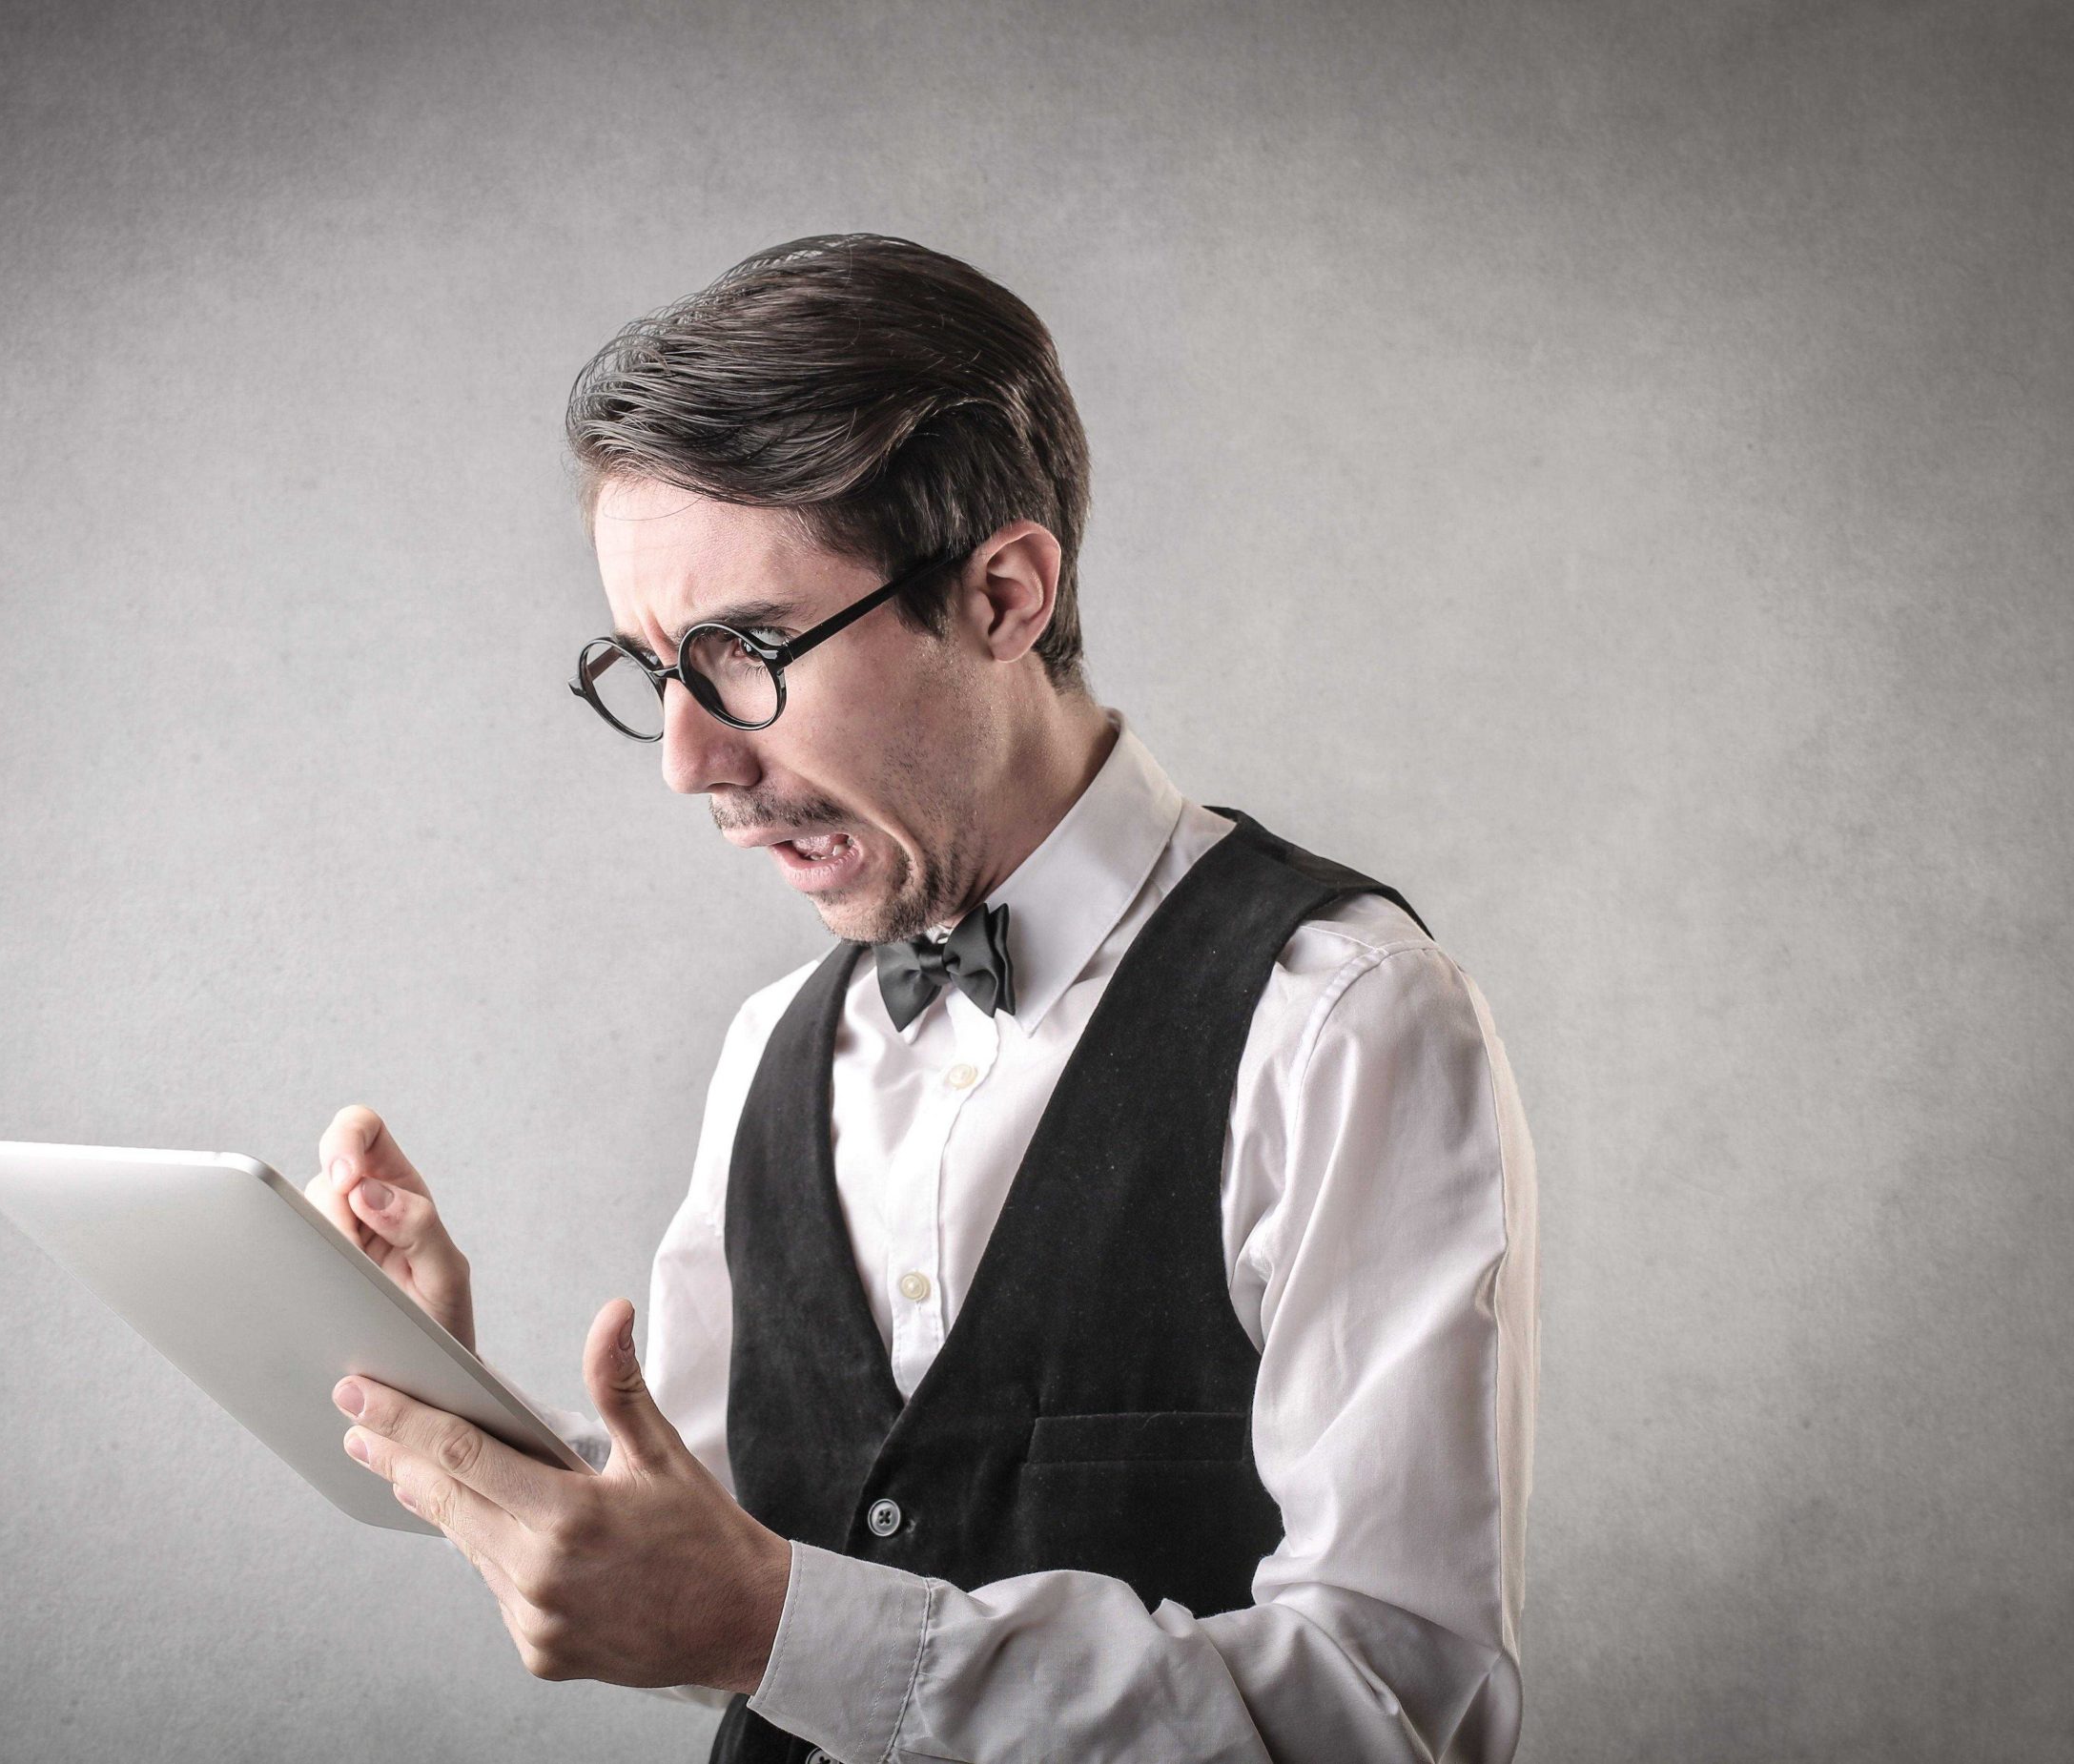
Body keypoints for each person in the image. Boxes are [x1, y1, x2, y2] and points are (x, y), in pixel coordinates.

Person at [307, 235, 1538, 1763]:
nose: (689, 759)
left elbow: (1391, 1716)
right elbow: (711, 1553)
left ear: (1005, 593)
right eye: (651, 668)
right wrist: (441, 1400)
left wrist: (772, 1623)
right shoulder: (771, 1047)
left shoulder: (1342, 1019)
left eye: (747, 649)